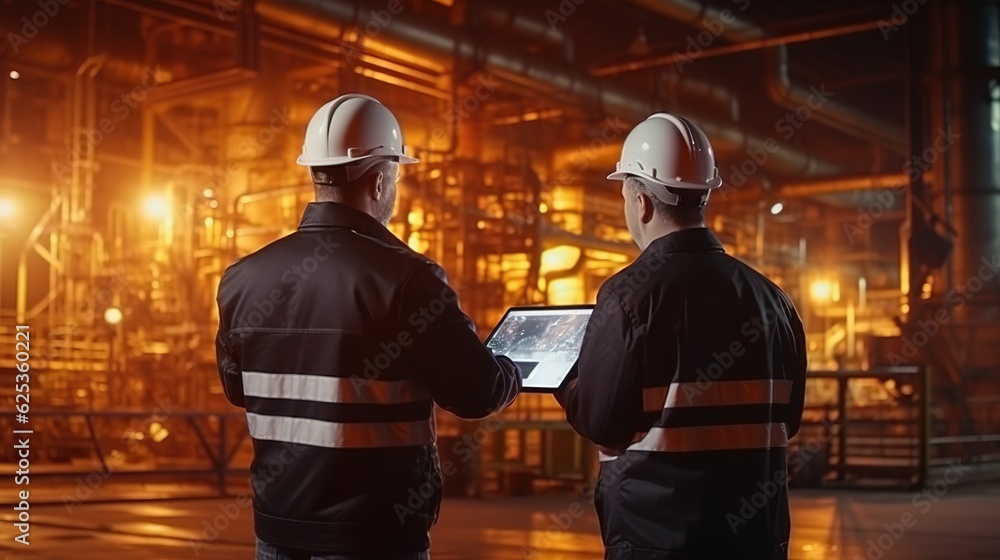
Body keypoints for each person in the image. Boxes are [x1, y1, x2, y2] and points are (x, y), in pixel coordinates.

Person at [215, 93, 521, 560]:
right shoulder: (408, 280)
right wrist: (513, 366)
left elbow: (239, 390)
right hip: (373, 536)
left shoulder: (242, 277)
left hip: (276, 531)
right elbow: (477, 394)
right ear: (380, 180)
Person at [555, 113, 807, 559]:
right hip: (757, 542)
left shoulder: (627, 297)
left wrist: (567, 377)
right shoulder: (774, 301)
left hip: (658, 541)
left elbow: (600, 421)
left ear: (642, 202)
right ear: (703, 195)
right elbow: (787, 419)